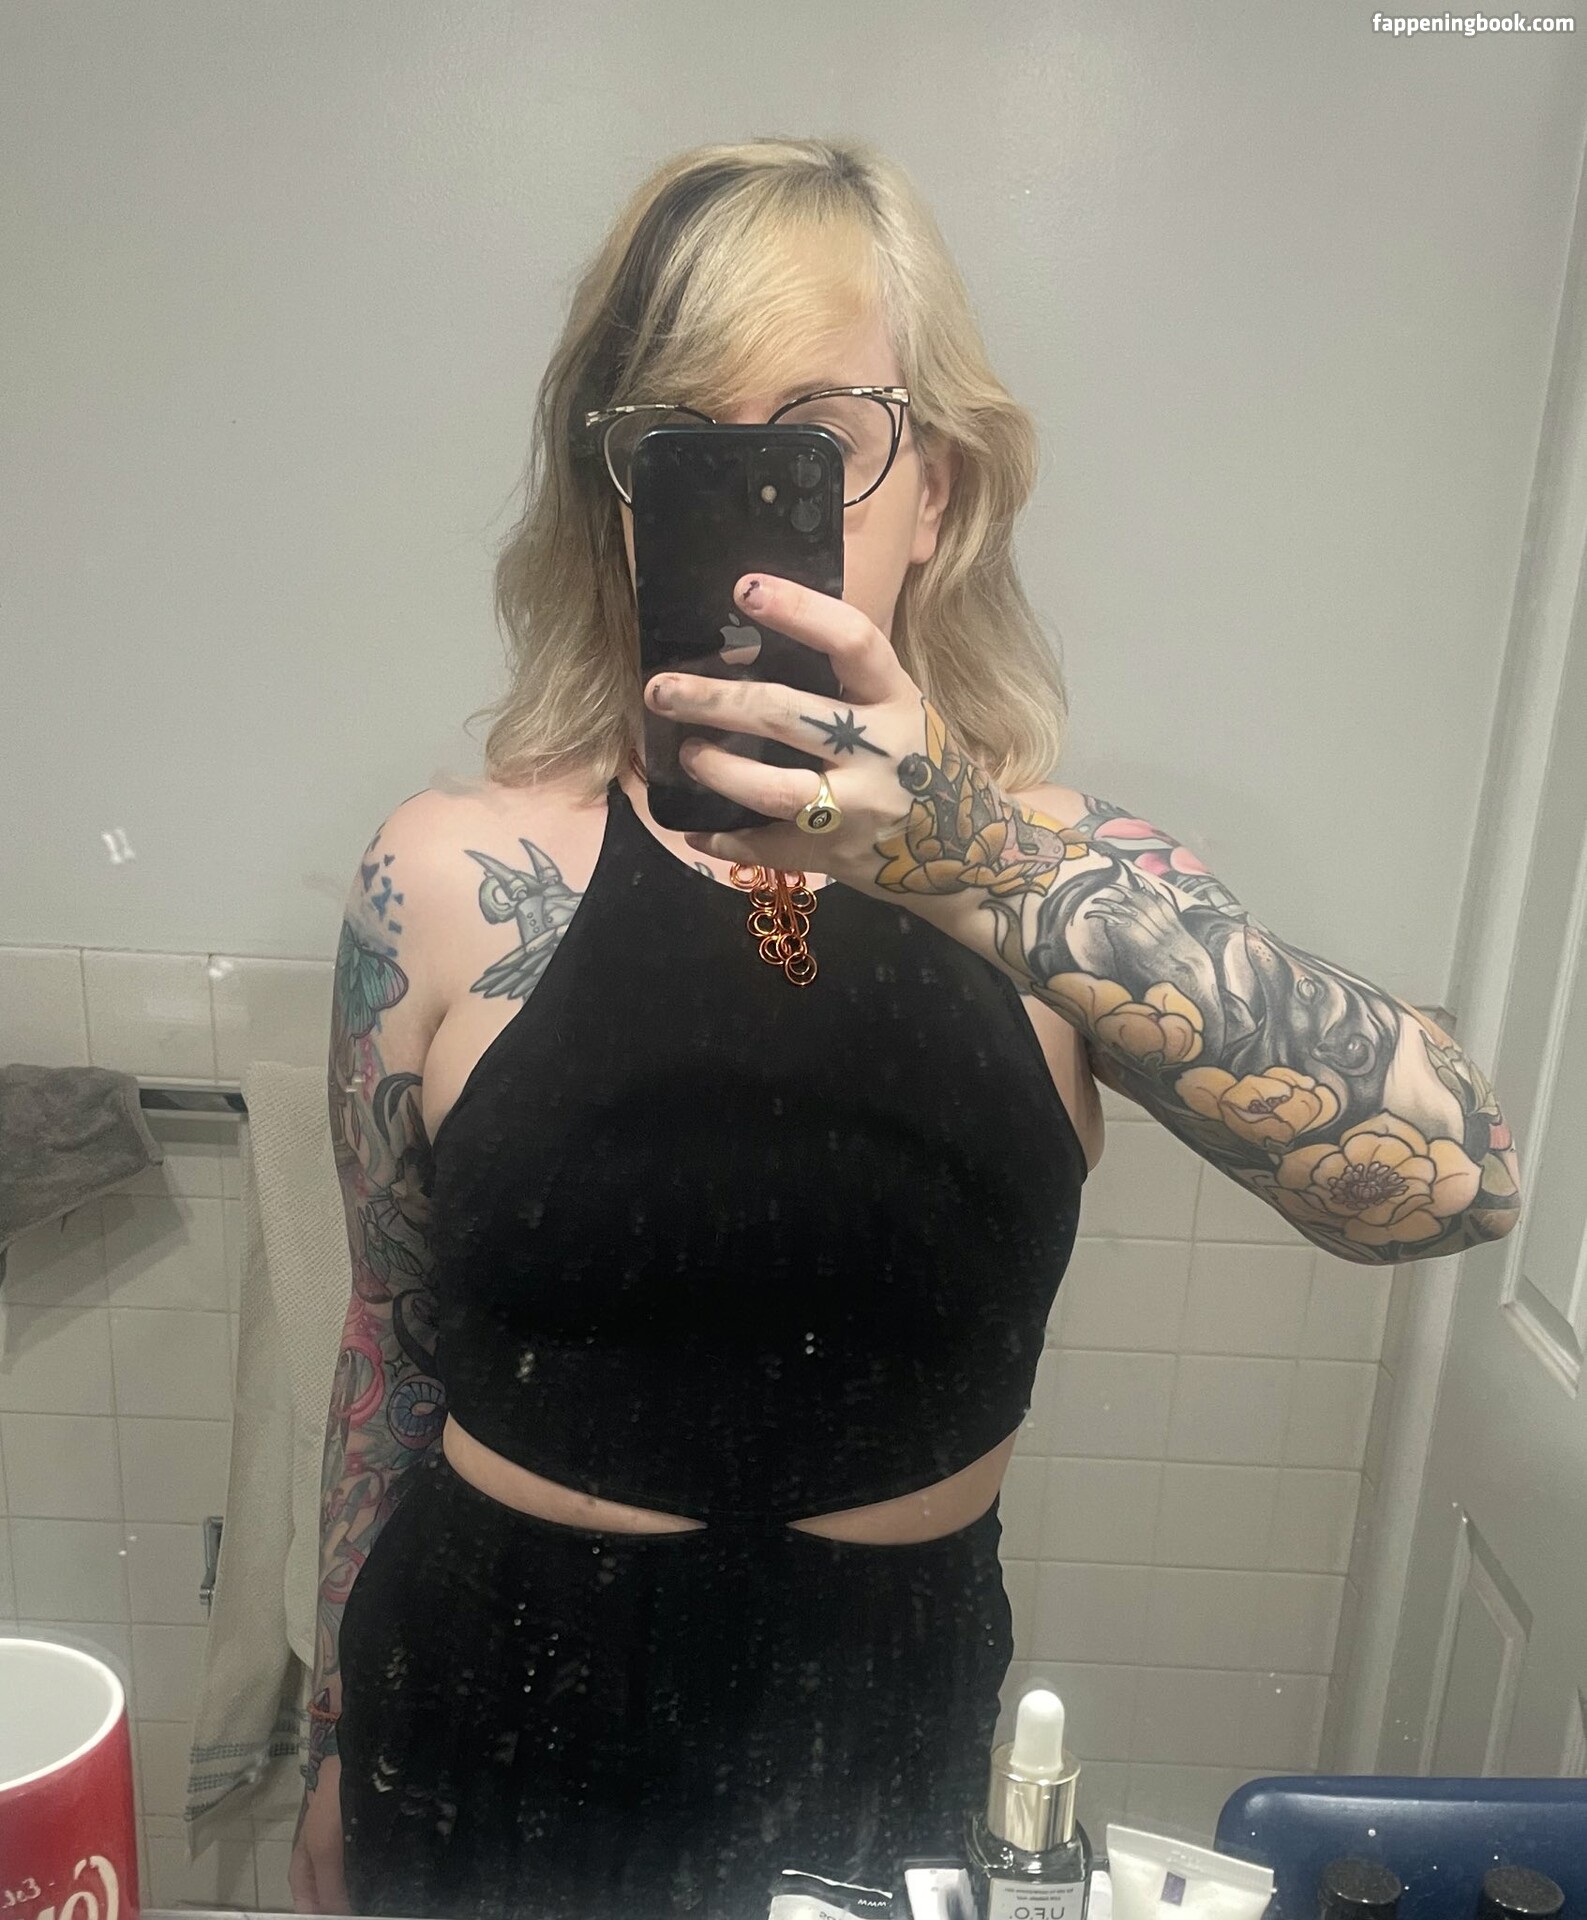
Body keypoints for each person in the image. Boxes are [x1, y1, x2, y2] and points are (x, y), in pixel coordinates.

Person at [289, 134, 1518, 1920]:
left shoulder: (1063, 881)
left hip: (883, 1728)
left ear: (936, 489)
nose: (753, 518)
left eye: (821, 439)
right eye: (679, 444)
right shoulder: (447, 876)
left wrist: (973, 858)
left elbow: (1458, 1181)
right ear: (615, 500)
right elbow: (390, 1349)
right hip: (482, 1717)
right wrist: (337, 1735)